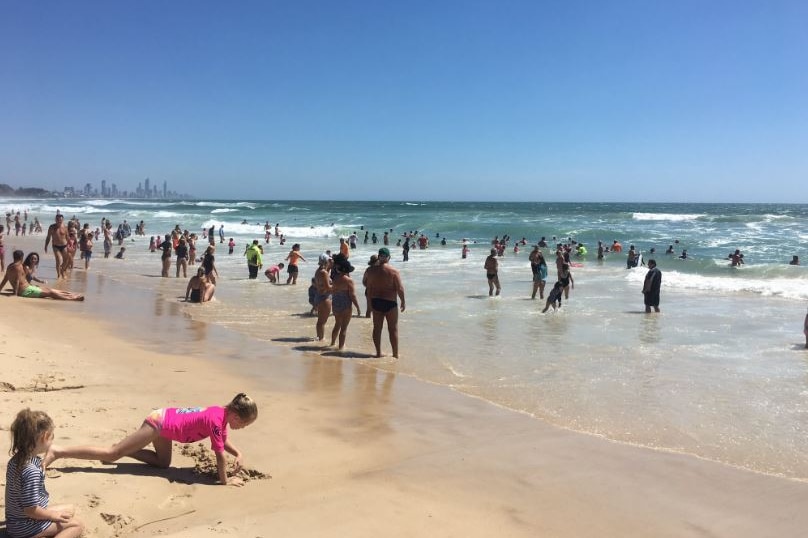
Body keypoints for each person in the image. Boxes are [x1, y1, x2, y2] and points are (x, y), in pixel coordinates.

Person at [44, 393, 258, 487]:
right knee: (111, 455)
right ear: (236, 416)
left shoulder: (221, 416)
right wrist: (225, 481)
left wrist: (238, 454)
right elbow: (219, 455)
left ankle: (124, 448)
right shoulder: (215, 419)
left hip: (166, 427)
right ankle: (58, 451)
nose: (243, 428)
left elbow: (223, 444)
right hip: (160, 423)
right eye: (245, 424)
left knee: (163, 464)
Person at [6, 409, 85, 538]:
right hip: (25, 526)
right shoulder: (31, 471)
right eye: (52, 436)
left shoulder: (15, 461)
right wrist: (52, 515)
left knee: (70, 509)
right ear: (44, 437)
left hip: (15, 521)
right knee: (77, 525)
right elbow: (30, 510)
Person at [364, 247, 405, 358]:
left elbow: (367, 285)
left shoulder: (370, 271)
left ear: (379, 257)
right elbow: (400, 288)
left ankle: (378, 353)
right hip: (390, 303)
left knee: (377, 328)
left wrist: (369, 304)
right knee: (393, 329)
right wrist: (403, 301)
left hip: (376, 302)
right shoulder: (394, 271)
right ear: (389, 257)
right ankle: (395, 355)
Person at [0, 250, 84, 301]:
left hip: (28, 288)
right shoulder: (18, 267)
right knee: (50, 293)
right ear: (22, 257)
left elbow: (5, 279)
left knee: (49, 289)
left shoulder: (9, 266)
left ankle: (71, 294)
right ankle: (73, 298)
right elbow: (17, 280)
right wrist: (15, 294)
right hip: (25, 291)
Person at [330, 254, 361, 350]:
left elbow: (333, 291)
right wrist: (358, 307)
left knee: (337, 324)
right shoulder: (349, 281)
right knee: (344, 328)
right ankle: (341, 347)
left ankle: (332, 343)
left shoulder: (335, 279)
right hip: (346, 305)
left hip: (335, 304)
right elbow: (352, 295)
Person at [313, 254, 333, 341]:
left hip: (319, 295)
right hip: (325, 297)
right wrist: (338, 286)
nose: (330, 261)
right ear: (326, 261)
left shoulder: (319, 271)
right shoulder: (324, 272)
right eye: (329, 260)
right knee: (322, 322)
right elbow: (328, 287)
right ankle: (321, 339)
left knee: (320, 321)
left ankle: (319, 338)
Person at [44, 214, 69, 279]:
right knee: (58, 260)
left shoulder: (65, 227)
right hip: (56, 246)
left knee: (66, 260)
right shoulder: (52, 227)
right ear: (55, 220)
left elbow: (67, 237)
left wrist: (70, 245)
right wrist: (46, 245)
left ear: (62, 220)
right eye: (58, 219)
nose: (59, 221)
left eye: (60, 220)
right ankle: (59, 275)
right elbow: (48, 237)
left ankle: (62, 271)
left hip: (64, 245)